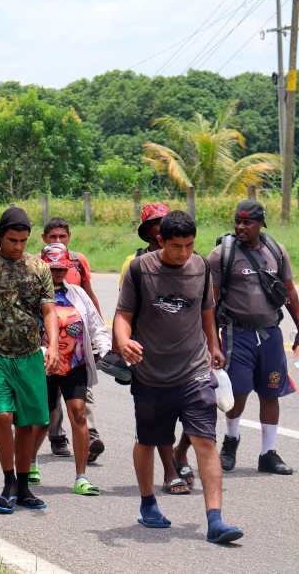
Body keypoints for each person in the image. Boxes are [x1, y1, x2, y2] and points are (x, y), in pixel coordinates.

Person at [114, 210, 242, 544]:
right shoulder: (140, 270)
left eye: (188, 245)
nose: (183, 253)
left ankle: (215, 519)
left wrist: (213, 345)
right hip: (152, 374)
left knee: (205, 440)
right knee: (148, 440)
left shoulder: (200, 266)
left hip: (194, 371)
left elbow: (206, 310)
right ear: (160, 241)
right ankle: (148, 504)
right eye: (176, 246)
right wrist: (124, 341)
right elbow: (122, 316)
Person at [0, 206, 58, 514]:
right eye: (11, 240)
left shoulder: (39, 268)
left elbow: (48, 311)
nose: (17, 246)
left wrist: (53, 346)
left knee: (30, 423)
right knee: (3, 416)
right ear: (0, 237)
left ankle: (23, 485)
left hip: (29, 354)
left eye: (22, 240)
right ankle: (7, 482)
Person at [211, 199, 298, 475]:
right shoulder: (221, 255)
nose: (240, 227)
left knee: (271, 393)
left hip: (271, 334)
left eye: (247, 222)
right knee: (236, 393)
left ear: (261, 223)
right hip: (238, 334)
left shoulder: (276, 251)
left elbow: (289, 294)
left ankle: (267, 453)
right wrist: (211, 342)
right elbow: (209, 304)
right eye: (237, 221)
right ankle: (231, 441)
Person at [118, 202, 194, 494]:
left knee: (200, 410)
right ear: (149, 232)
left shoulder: (190, 259)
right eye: (155, 223)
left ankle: (181, 451)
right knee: (161, 415)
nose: (159, 227)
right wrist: (124, 343)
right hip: (149, 350)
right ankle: (170, 470)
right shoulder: (135, 265)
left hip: (189, 350)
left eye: (163, 221)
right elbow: (125, 312)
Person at [34, 243, 108, 496]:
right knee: (42, 419)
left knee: (78, 413)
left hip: (74, 363)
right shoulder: (31, 294)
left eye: (61, 268)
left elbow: (95, 324)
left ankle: (81, 476)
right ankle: (29, 462)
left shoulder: (77, 293)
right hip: (41, 364)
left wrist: (103, 347)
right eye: (52, 268)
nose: (57, 273)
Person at [41, 217, 104, 462]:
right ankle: (54, 437)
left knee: (80, 401)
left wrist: (100, 338)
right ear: (44, 239)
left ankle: (90, 439)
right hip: (45, 354)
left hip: (75, 350)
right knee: (50, 403)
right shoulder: (36, 269)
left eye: (62, 236)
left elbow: (89, 298)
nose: (58, 240)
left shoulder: (79, 263)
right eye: (53, 237)